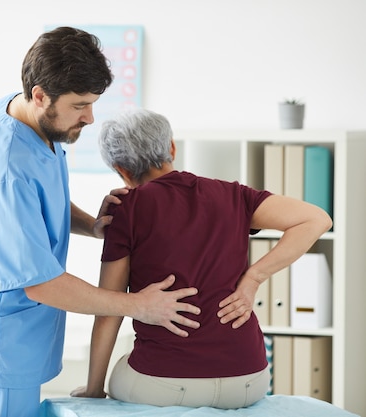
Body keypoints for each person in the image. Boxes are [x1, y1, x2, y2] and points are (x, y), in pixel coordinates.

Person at [0, 28, 201, 417]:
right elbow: (40, 284)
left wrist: (92, 225)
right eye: (80, 106)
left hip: (13, 326)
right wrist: (138, 305)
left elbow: (39, 200)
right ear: (40, 95)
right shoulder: (5, 168)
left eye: (92, 104)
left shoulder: (30, 117)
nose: (90, 118)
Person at [71, 109, 333, 409]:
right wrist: (254, 277)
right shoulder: (232, 195)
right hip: (249, 380)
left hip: (166, 384)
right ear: (171, 147)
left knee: (122, 368)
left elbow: (109, 309)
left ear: (121, 170)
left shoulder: (124, 208)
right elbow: (316, 219)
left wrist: (93, 389)